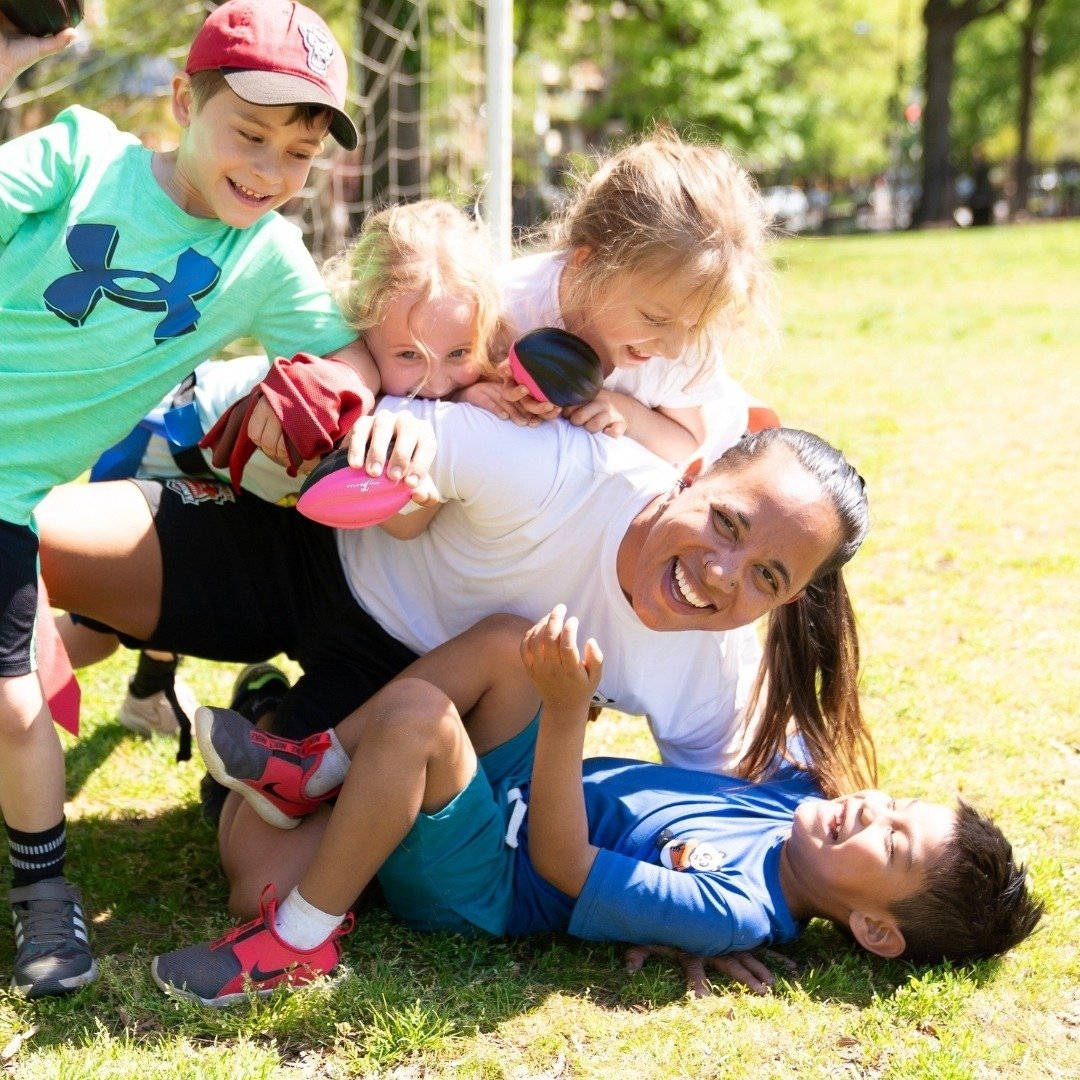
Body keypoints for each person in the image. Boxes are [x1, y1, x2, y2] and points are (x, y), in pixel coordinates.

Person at [0, 0, 408, 998]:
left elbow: (344, 346)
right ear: (184, 101)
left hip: (8, 494)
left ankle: (44, 898)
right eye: (250, 133)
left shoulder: (262, 259)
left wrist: (347, 390)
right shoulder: (81, 158)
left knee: (14, 710)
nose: (271, 169)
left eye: (298, 154)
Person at [148, 607, 1043, 1008]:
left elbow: (564, 868)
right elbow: (801, 686)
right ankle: (314, 768)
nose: (871, 812)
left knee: (410, 728)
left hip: (485, 878)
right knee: (506, 639)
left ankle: (297, 941)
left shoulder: (735, 908)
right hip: (507, 795)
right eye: (898, 807)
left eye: (892, 846)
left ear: (875, 931)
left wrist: (570, 712)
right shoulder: (797, 806)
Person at [39, 419, 875, 844]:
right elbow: (404, 420)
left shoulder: (712, 669)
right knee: (36, 537)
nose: (724, 574)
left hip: (403, 689)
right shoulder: (557, 467)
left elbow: (734, 819)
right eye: (727, 523)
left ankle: (264, 725)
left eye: (769, 575)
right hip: (309, 552)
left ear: (793, 598)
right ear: (691, 472)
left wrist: (710, 927)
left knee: (256, 863)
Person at [63, 197, 507, 741]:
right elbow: (404, 521)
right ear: (361, 332)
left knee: (188, 575)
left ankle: (148, 692)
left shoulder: (427, 386)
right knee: (95, 636)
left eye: (459, 353)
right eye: (409, 356)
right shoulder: (355, 399)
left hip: (248, 481)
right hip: (168, 437)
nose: (434, 383)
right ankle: (111, 691)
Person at [477, 129, 776, 464]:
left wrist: (629, 414)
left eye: (693, 326)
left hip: (720, 448)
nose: (673, 347)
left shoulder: (685, 342)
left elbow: (689, 442)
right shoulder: (506, 304)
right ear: (587, 263)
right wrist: (490, 390)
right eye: (655, 318)